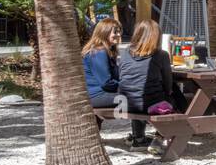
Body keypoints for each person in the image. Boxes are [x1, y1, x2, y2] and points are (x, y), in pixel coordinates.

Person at [118, 19, 188, 153]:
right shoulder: (161, 55)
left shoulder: (126, 52)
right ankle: (159, 139)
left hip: (124, 102)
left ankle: (138, 140)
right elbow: (168, 84)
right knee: (175, 98)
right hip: (148, 104)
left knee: (139, 94)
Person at [81, 17, 122, 109]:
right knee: (137, 98)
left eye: (119, 32)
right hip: (97, 96)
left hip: (100, 94)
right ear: (104, 33)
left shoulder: (106, 51)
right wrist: (125, 86)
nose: (119, 35)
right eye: (115, 32)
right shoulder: (99, 52)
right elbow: (106, 83)